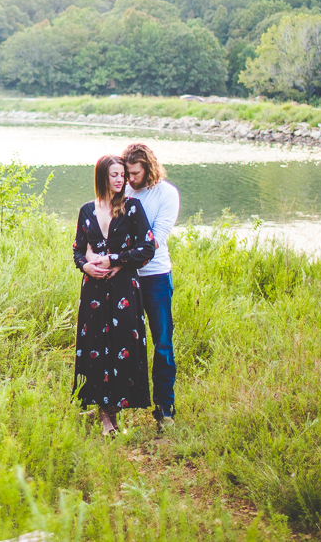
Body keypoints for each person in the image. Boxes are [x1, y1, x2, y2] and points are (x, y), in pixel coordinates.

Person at [71, 154, 158, 435]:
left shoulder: (133, 207)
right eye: (115, 175)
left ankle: (114, 411)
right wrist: (86, 266)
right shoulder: (86, 210)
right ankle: (103, 412)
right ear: (102, 178)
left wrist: (115, 260)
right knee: (96, 347)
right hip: (94, 289)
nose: (121, 180)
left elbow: (148, 248)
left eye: (123, 174)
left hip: (124, 289)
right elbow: (77, 250)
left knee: (122, 347)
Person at [122, 142, 180, 430]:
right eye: (127, 173)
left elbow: (156, 238)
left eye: (134, 173)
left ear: (148, 167)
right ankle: (115, 406)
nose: (130, 179)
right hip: (124, 278)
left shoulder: (166, 193)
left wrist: (124, 259)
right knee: (121, 343)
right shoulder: (122, 190)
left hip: (155, 277)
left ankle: (165, 410)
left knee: (162, 343)